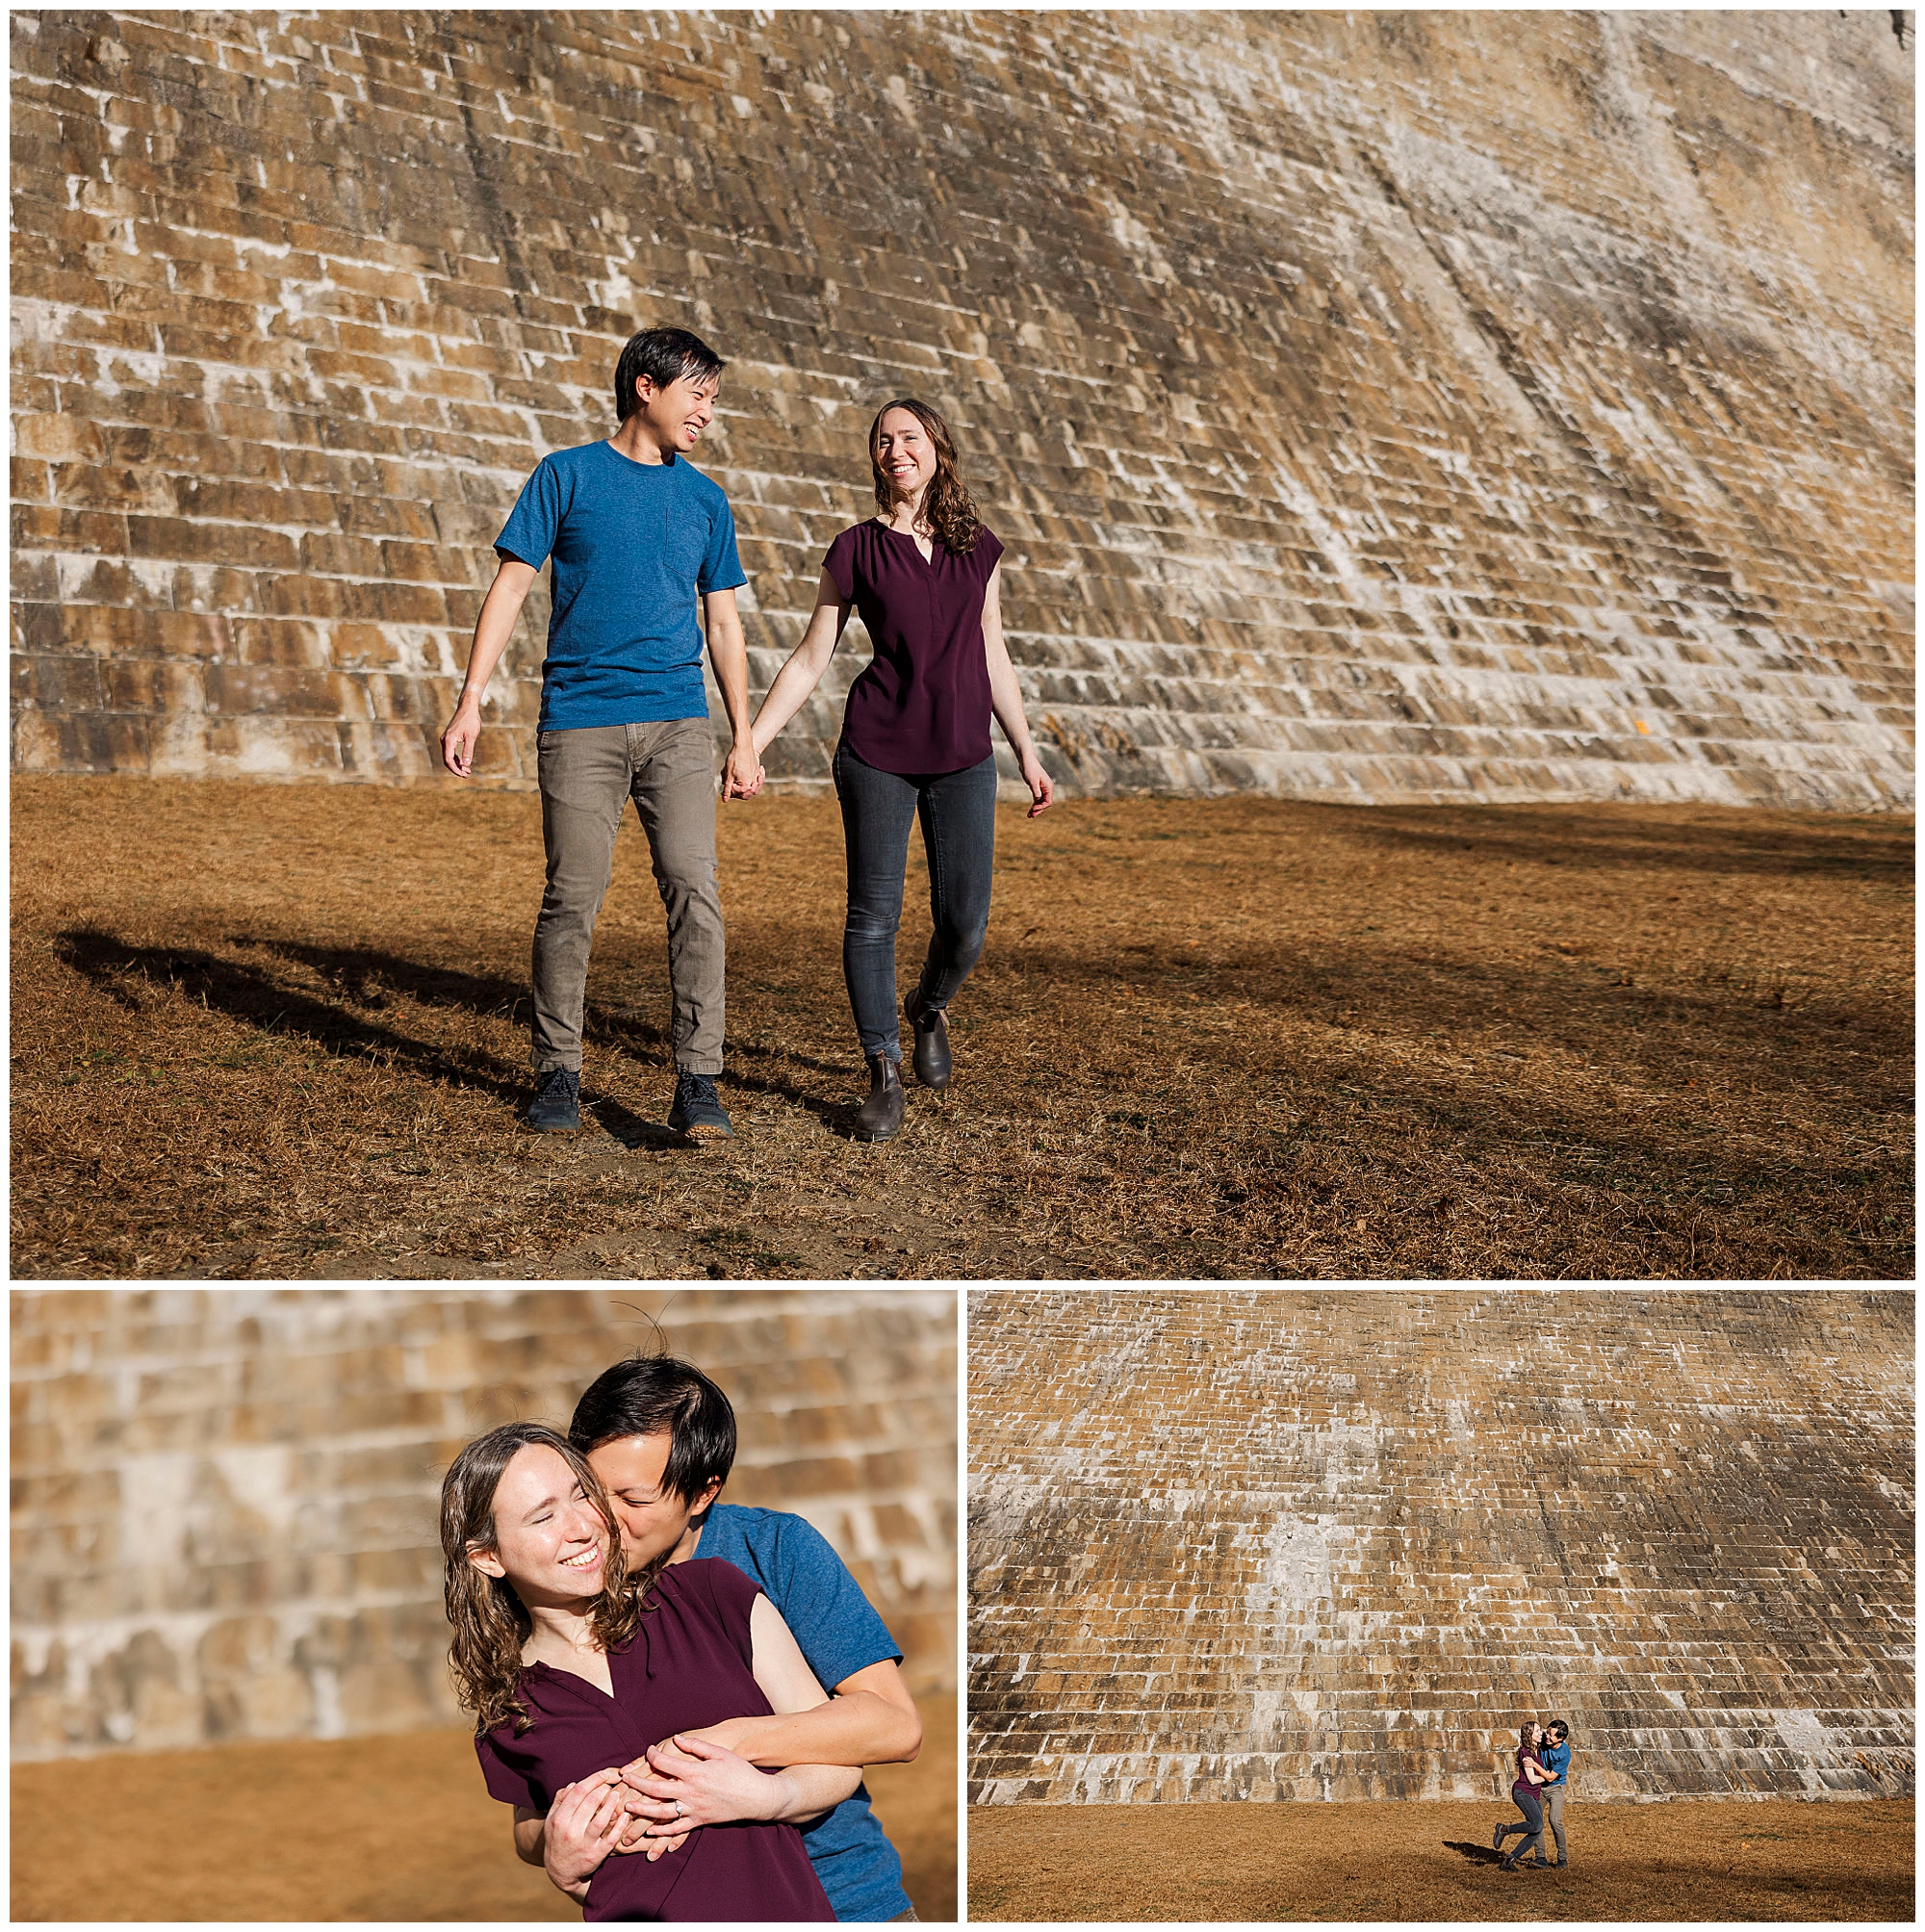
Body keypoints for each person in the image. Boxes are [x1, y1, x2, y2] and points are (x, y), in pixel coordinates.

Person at [440, 324, 761, 1143]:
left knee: (695, 889)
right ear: (645, 388)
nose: (707, 413)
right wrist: (471, 698)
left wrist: (744, 733)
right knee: (572, 899)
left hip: (680, 725)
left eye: (714, 399)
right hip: (580, 721)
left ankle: (698, 1081)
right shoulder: (566, 476)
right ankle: (557, 1073)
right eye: (698, 393)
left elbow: (723, 625)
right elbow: (512, 588)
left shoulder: (705, 500)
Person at [731, 398, 1055, 1141]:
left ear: (937, 448)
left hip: (966, 756)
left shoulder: (980, 547)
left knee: (965, 924)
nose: (894, 449)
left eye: (908, 436)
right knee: (872, 917)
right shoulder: (855, 549)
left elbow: (993, 652)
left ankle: (928, 1006)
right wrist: (751, 740)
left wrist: (1028, 753)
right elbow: (813, 657)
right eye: (882, 440)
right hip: (877, 751)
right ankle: (881, 1068)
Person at [507, 1353, 922, 1921]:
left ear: (703, 1494)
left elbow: (894, 1726)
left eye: (633, 1501)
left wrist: (722, 1745)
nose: (597, 1521)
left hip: (841, 1898)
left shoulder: (772, 1550)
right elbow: (533, 1815)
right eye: (589, 1491)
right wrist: (554, 1850)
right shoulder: (553, 1593)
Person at [440, 1420, 852, 1920]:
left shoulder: (713, 1595)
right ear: (488, 1557)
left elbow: (839, 1758)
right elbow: (530, 1825)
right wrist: (558, 1854)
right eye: (542, 1517)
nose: (581, 1527)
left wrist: (770, 1795)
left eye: (580, 1495)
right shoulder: (508, 1701)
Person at [1494, 1719, 1557, 1870]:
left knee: (1536, 1830)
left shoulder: (1540, 1751)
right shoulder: (1525, 1752)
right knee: (1537, 1824)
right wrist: (1550, 1776)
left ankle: (1509, 1861)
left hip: (1534, 1795)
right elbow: (1533, 1779)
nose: (1540, 1733)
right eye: (1537, 1730)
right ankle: (1503, 1830)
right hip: (1523, 1791)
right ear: (1529, 1734)